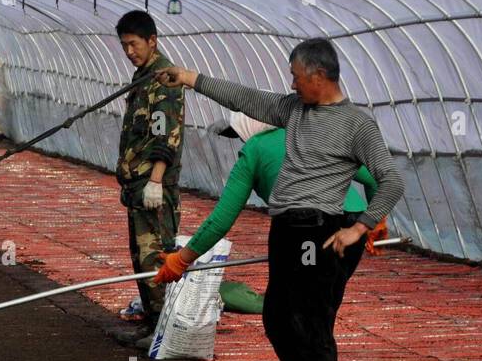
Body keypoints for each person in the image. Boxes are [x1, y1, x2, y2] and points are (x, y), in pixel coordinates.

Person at [157, 38, 404, 361]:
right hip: (286, 230)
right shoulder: (294, 111)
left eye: (296, 76)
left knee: (310, 321)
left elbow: (390, 179)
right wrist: (190, 78)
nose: (291, 84)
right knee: (277, 317)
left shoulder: (355, 125)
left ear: (319, 76)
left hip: (319, 231)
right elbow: (247, 98)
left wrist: (361, 226)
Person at [155, 110, 384, 295]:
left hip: (311, 233)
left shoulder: (254, 151)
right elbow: (374, 179)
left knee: (295, 310)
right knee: (324, 303)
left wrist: (182, 259)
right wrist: (373, 222)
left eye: (241, 135)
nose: (242, 141)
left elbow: (221, 219)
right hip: (351, 227)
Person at [114, 10, 184, 339]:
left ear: (152, 41)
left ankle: (164, 334)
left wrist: (155, 181)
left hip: (153, 185)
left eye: (134, 44)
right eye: (124, 45)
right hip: (138, 185)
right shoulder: (142, 75)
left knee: (155, 257)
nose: (129, 51)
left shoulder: (162, 78)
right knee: (141, 258)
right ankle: (154, 327)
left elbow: (166, 134)